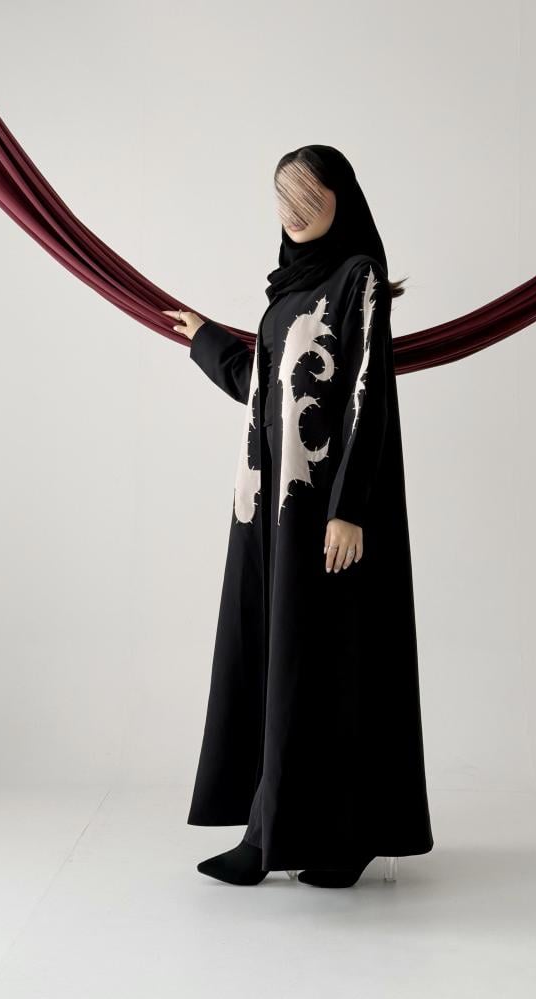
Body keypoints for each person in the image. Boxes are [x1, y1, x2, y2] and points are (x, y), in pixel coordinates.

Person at [163, 145, 434, 888]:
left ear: (341, 196)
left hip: (326, 513)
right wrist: (203, 337)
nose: (293, 209)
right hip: (271, 515)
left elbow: (368, 392)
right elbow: (260, 386)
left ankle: (324, 839)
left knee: (334, 661)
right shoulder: (283, 299)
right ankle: (294, 834)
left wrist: (349, 509)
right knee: (283, 657)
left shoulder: (358, 279)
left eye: (308, 193)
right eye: (282, 195)